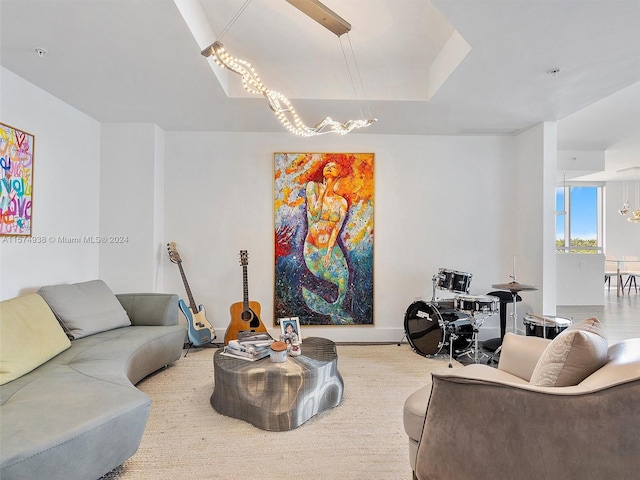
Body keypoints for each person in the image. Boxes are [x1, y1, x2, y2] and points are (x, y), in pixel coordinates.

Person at [302, 161, 354, 324]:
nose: (329, 167)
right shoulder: (313, 187)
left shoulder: (342, 202)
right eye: (326, 166)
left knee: (343, 279)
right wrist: (326, 189)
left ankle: (336, 310)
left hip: (330, 248)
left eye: (334, 166)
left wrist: (330, 252)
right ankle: (323, 306)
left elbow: (336, 230)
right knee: (321, 274)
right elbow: (316, 213)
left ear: (339, 172)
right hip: (313, 247)